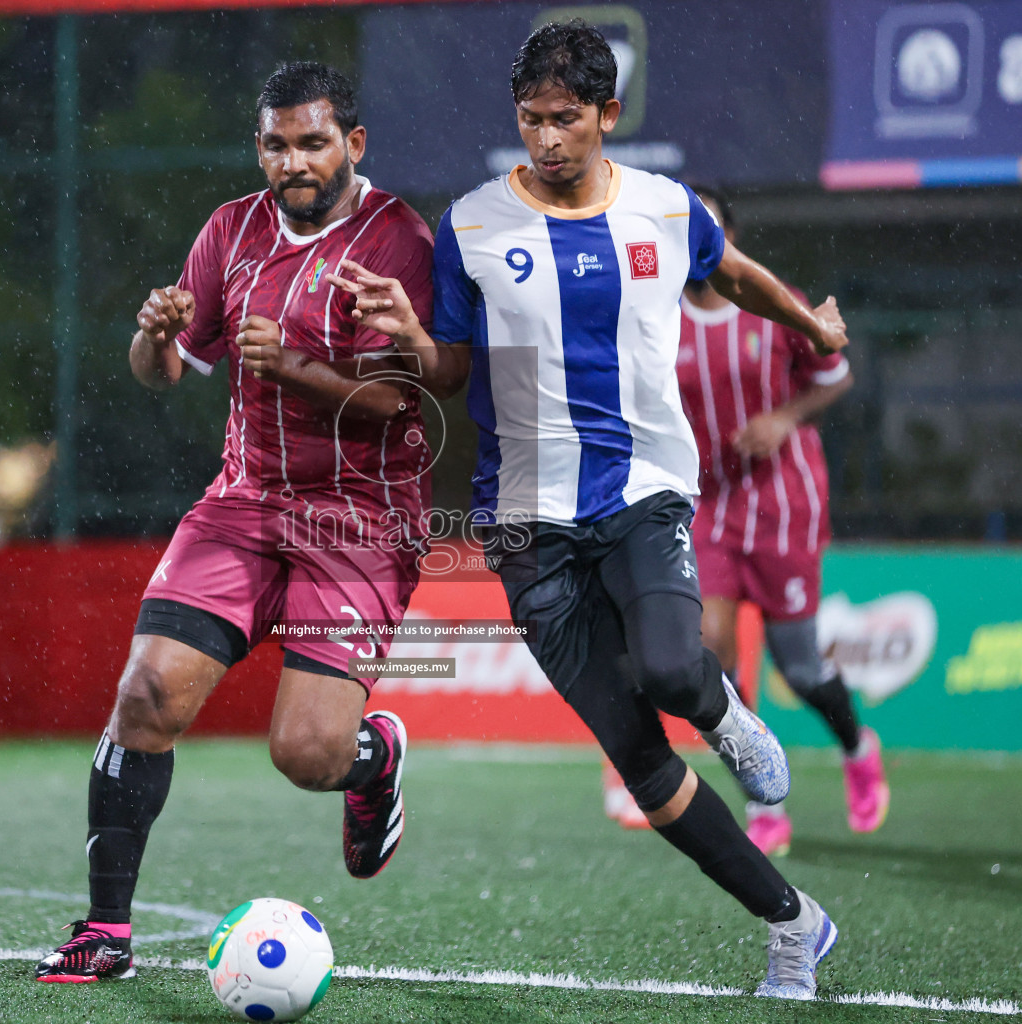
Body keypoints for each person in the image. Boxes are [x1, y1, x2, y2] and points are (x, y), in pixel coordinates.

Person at [329, 21, 847, 999]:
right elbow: (450, 373)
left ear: (608, 115)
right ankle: (793, 923)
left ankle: (724, 708)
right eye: (531, 120)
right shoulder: (474, 223)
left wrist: (805, 320)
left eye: (567, 119)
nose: (548, 139)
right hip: (523, 519)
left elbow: (728, 272)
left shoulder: (662, 206)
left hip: (643, 485)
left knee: (668, 665)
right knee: (644, 766)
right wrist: (406, 341)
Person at [36, 61, 435, 983]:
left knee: (305, 753)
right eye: (274, 143)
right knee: (145, 695)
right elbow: (163, 368)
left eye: (311, 142)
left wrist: (291, 363)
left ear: (353, 144)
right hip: (244, 501)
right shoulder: (231, 231)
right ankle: (105, 934)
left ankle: (370, 762)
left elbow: (399, 401)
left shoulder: (399, 240)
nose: (291, 161)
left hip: (360, 518)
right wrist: (152, 331)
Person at [602, 188, 889, 855]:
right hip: (701, 507)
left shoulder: (772, 301)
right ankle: (767, 801)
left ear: (726, 236)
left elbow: (836, 372)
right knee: (713, 659)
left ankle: (856, 745)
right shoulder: (651, 317)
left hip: (784, 505)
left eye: (704, 226)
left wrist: (784, 418)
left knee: (803, 669)